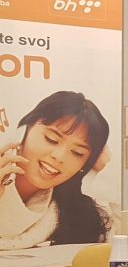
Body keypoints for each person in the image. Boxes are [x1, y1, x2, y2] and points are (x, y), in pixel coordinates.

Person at [0, 91, 114, 250]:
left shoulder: (76, 213)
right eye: (51, 139)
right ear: (23, 132)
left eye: (77, 153)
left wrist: (97, 172)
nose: (59, 157)